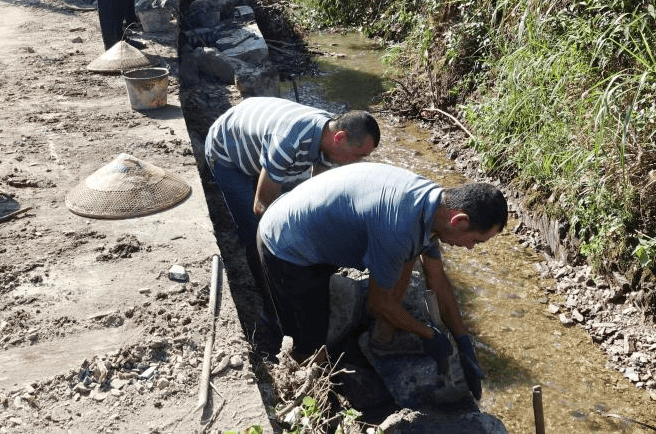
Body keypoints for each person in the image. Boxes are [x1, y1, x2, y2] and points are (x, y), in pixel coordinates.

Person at [257, 163, 506, 399]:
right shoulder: (399, 227)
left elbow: (437, 281)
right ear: (459, 220)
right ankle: (307, 399)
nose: (471, 248)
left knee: (407, 259)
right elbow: (377, 303)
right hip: (286, 245)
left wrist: (463, 342)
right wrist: (429, 335)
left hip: (312, 228)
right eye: (475, 240)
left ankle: (381, 338)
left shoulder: (433, 204)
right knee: (311, 347)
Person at [204, 97, 380, 292]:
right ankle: (267, 296)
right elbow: (261, 206)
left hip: (256, 139)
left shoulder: (330, 139)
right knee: (255, 231)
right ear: (340, 137)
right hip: (225, 151)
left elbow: (317, 194)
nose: (353, 163)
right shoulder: (288, 141)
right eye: (357, 155)